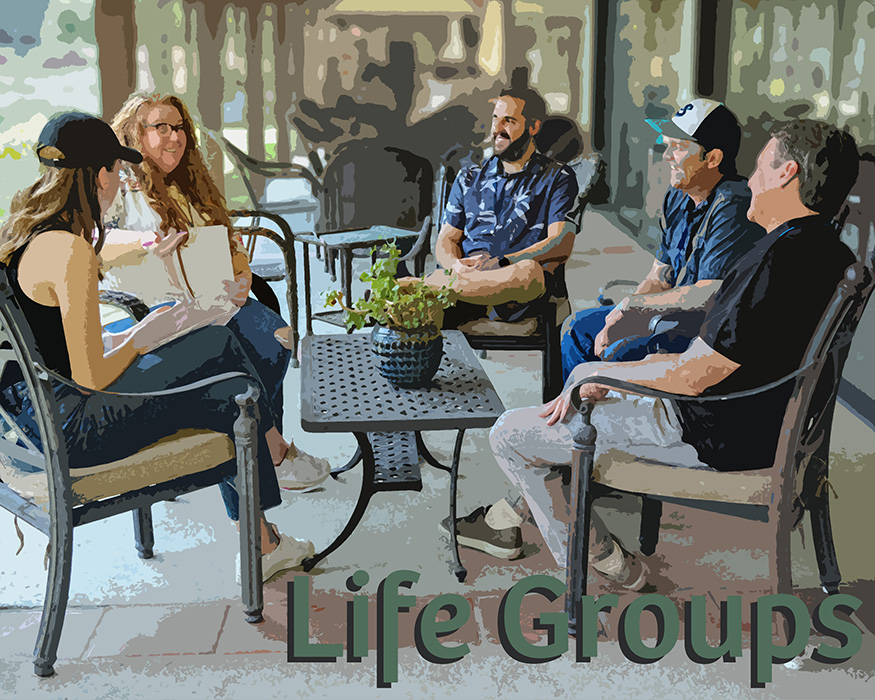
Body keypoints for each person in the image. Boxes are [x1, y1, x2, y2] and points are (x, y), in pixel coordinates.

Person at [450, 120, 859, 589]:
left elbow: (695, 375)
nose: (750, 180)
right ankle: (589, 539)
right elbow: (713, 352)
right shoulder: (823, 250)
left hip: (708, 430)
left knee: (510, 435)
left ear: (787, 172)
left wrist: (596, 372)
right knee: (579, 389)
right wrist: (615, 364)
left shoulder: (774, 261)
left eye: (763, 165)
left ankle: (598, 564)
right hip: (740, 415)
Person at [0, 112, 317, 581]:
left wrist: (134, 334)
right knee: (221, 357)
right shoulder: (71, 252)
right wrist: (145, 337)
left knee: (224, 385)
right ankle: (269, 489)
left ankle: (264, 537)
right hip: (72, 430)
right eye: (116, 170)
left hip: (28, 421)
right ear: (101, 174)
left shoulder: (22, 235)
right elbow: (91, 376)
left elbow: (59, 350)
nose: (117, 184)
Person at [101, 92, 328, 492]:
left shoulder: (193, 185)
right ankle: (268, 454)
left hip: (215, 301)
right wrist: (144, 243)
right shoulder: (120, 186)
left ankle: (253, 450)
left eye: (180, 128)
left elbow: (230, 243)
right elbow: (94, 241)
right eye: (161, 128)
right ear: (137, 133)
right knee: (237, 359)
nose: (175, 137)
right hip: (158, 311)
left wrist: (242, 277)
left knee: (277, 340)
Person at [561, 99, 765, 380]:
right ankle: (573, 412)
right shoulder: (678, 195)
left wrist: (634, 308)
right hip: (670, 316)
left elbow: (710, 293)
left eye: (679, 147)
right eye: (668, 144)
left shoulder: (734, 206)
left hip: (704, 336)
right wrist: (623, 314)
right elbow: (660, 274)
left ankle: (594, 411)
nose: (666, 154)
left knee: (615, 349)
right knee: (578, 328)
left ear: (713, 158)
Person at [412, 86, 579, 324]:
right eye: (495, 119)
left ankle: (425, 287)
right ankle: (448, 288)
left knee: (528, 273)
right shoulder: (469, 177)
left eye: (508, 121)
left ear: (533, 127)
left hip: (516, 287)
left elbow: (560, 242)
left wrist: (503, 262)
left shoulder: (557, 177)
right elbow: (446, 239)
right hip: (465, 285)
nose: (497, 129)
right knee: (418, 311)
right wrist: (457, 266)